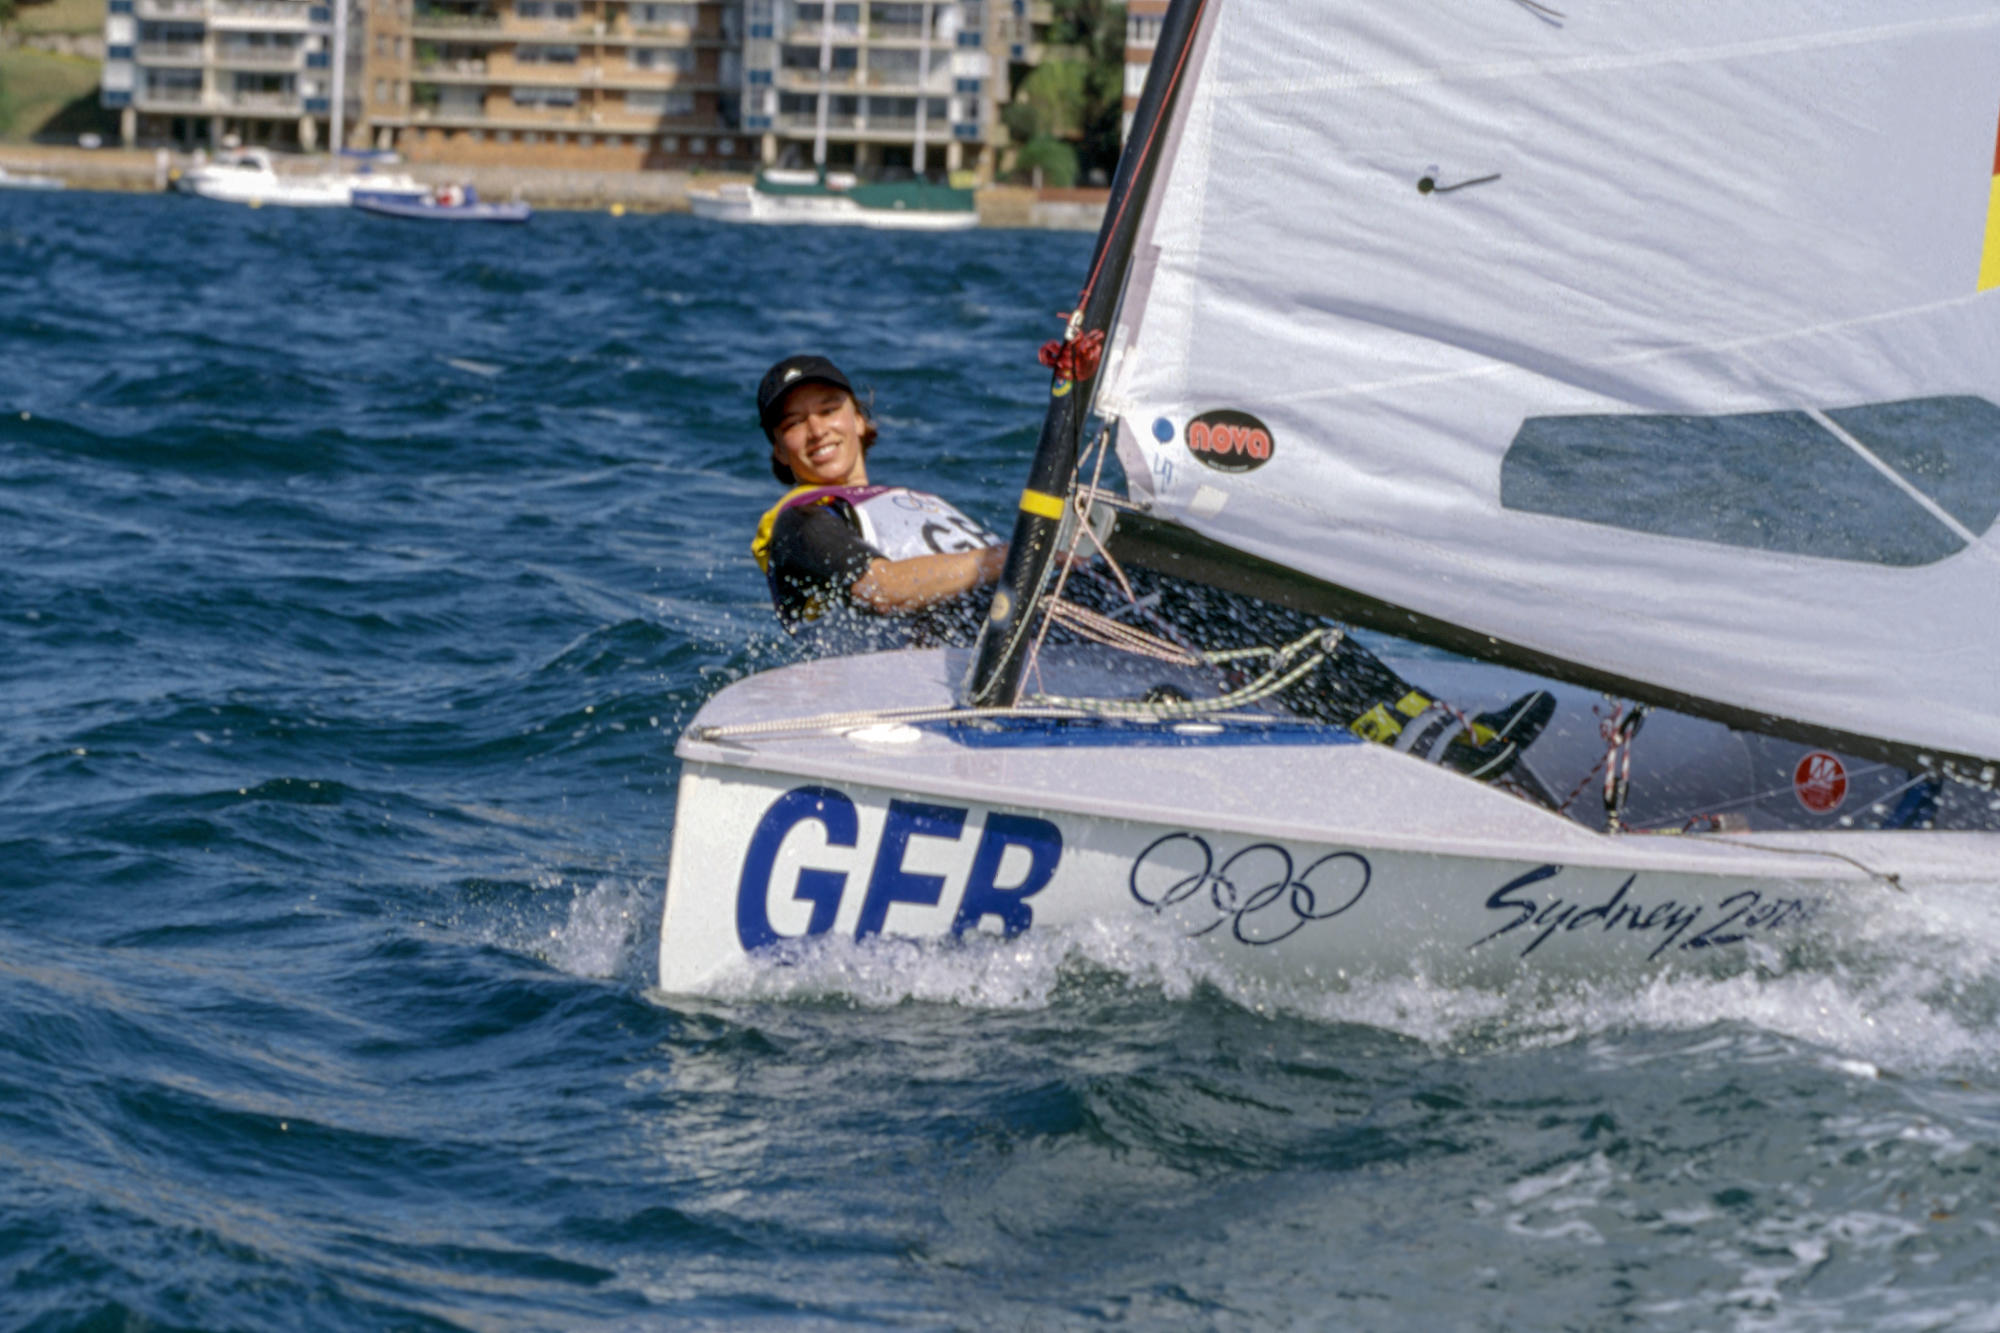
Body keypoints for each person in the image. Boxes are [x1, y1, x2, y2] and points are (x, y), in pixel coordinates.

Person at [749, 354, 1553, 781]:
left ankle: (1433, 733)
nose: (814, 430)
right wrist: (1014, 556)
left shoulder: (909, 497)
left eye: (827, 410)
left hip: (1043, 632)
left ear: (861, 417)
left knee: (1239, 591)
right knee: (1225, 613)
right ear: (781, 452)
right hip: (977, 678)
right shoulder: (803, 524)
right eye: (793, 424)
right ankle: (1429, 745)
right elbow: (880, 589)